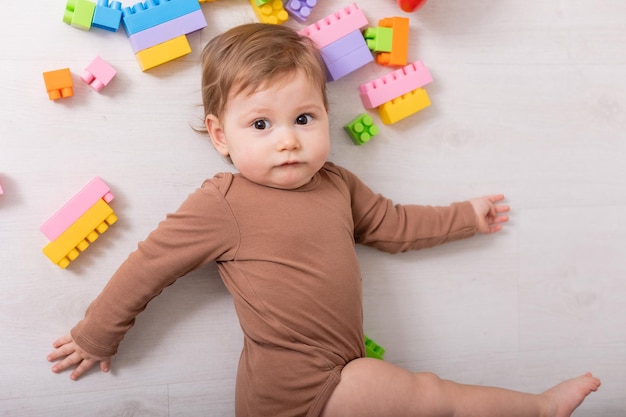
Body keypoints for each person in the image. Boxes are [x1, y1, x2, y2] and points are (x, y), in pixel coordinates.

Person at [47, 23, 600, 417]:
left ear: (327, 119)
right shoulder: (223, 202)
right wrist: (97, 335)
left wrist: (464, 217)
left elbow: (394, 225)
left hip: (334, 377)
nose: (288, 139)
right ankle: (540, 408)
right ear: (221, 137)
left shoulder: (336, 183)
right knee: (435, 398)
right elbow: (149, 266)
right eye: (260, 125)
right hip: (299, 389)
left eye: (304, 118)